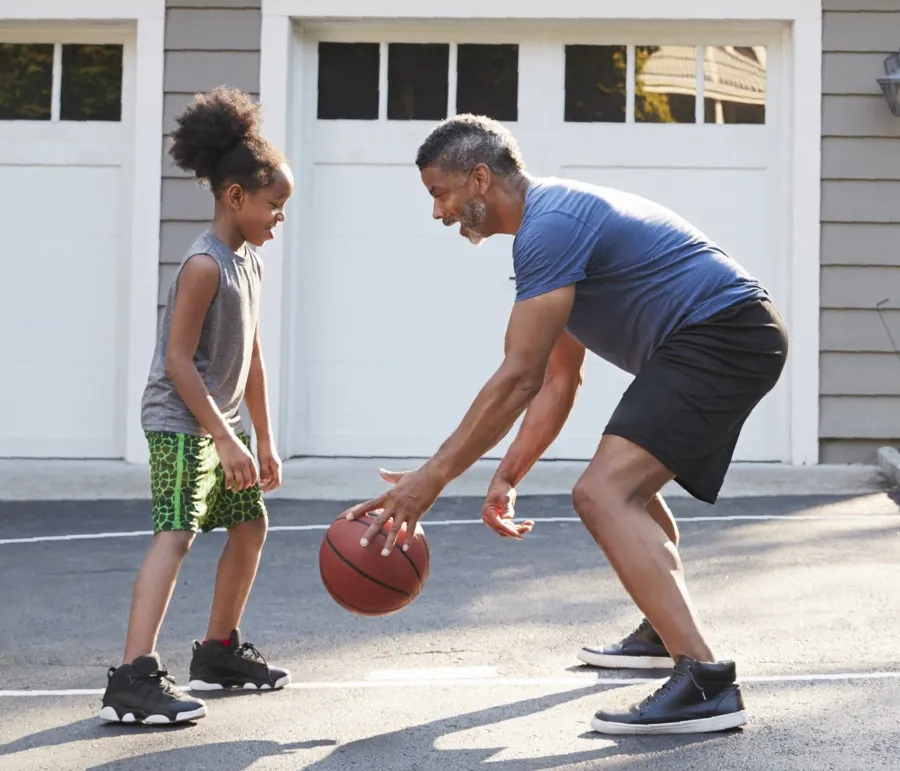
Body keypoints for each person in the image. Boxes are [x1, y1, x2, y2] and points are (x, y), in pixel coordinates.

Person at [344, 114, 788, 735]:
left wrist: (431, 479)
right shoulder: (553, 233)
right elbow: (558, 379)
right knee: (624, 487)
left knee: (605, 492)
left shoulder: (550, 227)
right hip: (713, 337)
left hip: (725, 335)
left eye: (440, 194)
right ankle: (666, 631)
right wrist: (507, 475)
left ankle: (705, 680)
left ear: (479, 178)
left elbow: (517, 375)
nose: (439, 214)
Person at [99, 87, 294, 725]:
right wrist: (226, 438)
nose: (279, 218)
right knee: (176, 535)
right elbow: (179, 362)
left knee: (251, 524)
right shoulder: (203, 265)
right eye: (274, 205)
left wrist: (261, 438)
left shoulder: (249, 264)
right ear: (235, 196)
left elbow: (253, 355)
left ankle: (217, 651)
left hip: (223, 427)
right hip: (182, 422)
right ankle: (134, 673)